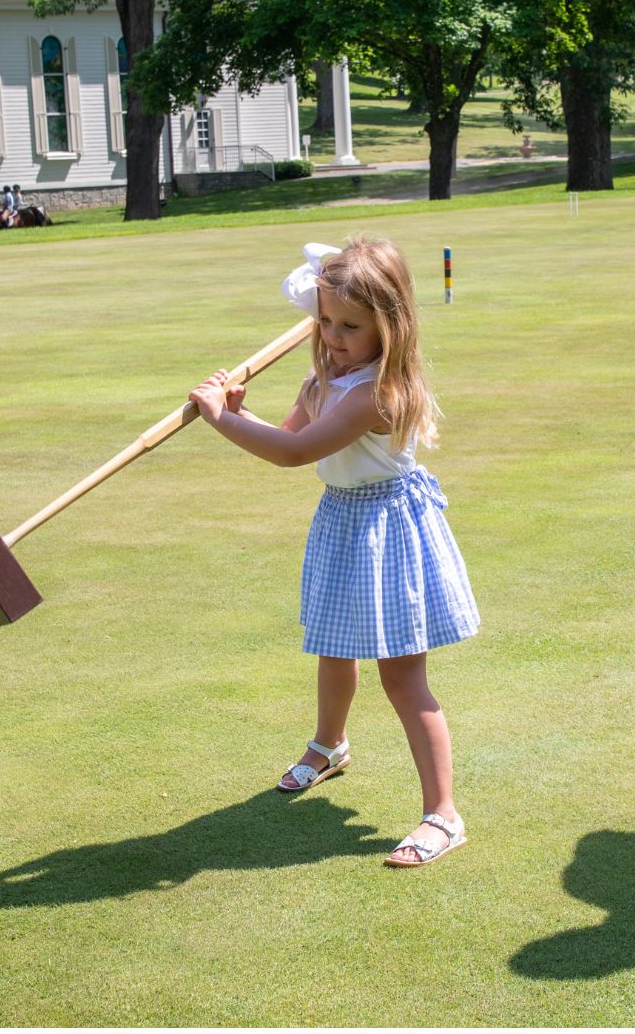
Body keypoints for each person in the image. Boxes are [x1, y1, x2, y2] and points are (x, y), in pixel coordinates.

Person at [187, 238, 481, 868]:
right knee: (334, 647)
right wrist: (242, 413)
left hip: (389, 527)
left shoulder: (375, 393)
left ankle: (443, 815)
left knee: (402, 676)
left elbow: (294, 455)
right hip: (343, 521)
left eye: (351, 325)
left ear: (389, 325)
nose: (333, 335)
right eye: (325, 320)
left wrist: (218, 419)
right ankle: (330, 745)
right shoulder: (325, 379)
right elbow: (289, 436)